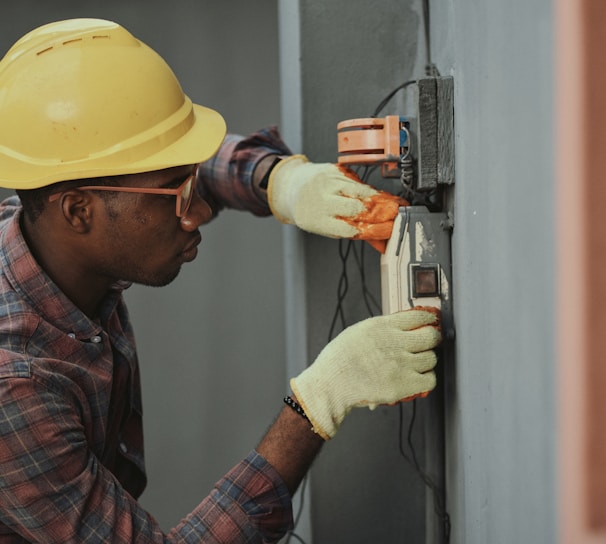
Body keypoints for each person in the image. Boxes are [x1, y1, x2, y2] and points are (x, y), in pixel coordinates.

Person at [0, 18, 442, 543]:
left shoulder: (49, 218)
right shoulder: (15, 388)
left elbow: (159, 168)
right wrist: (316, 403)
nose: (199, 213)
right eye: (177, 196)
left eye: (191, 182)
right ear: (77, 211)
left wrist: (278, 181)